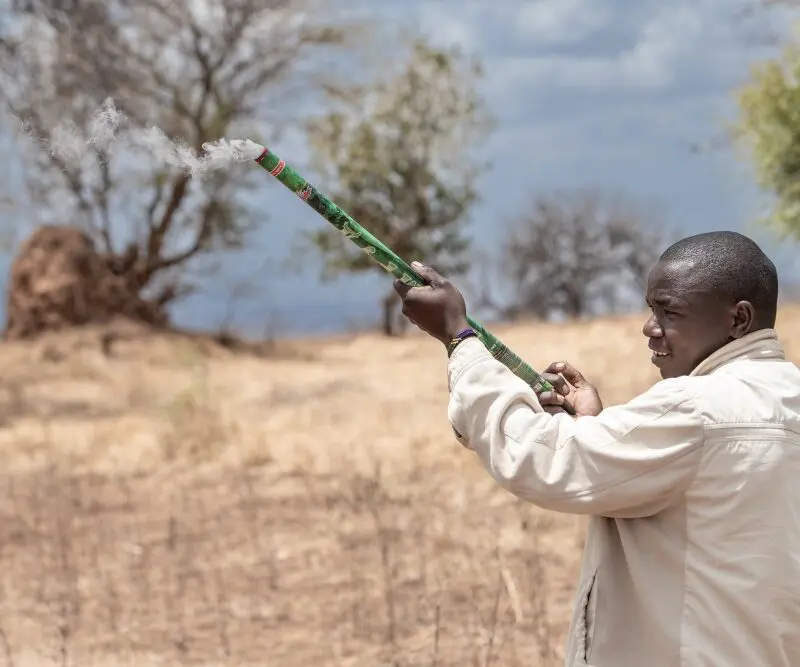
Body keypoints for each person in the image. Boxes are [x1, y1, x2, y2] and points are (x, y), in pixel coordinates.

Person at [393, 231, 800, 667]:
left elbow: (543, 460)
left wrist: (459, 337)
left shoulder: (697, 409)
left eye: (670, 312)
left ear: (739, 319)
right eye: (651, 308)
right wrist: (595, 428)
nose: (650, 328)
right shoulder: (786, 396)